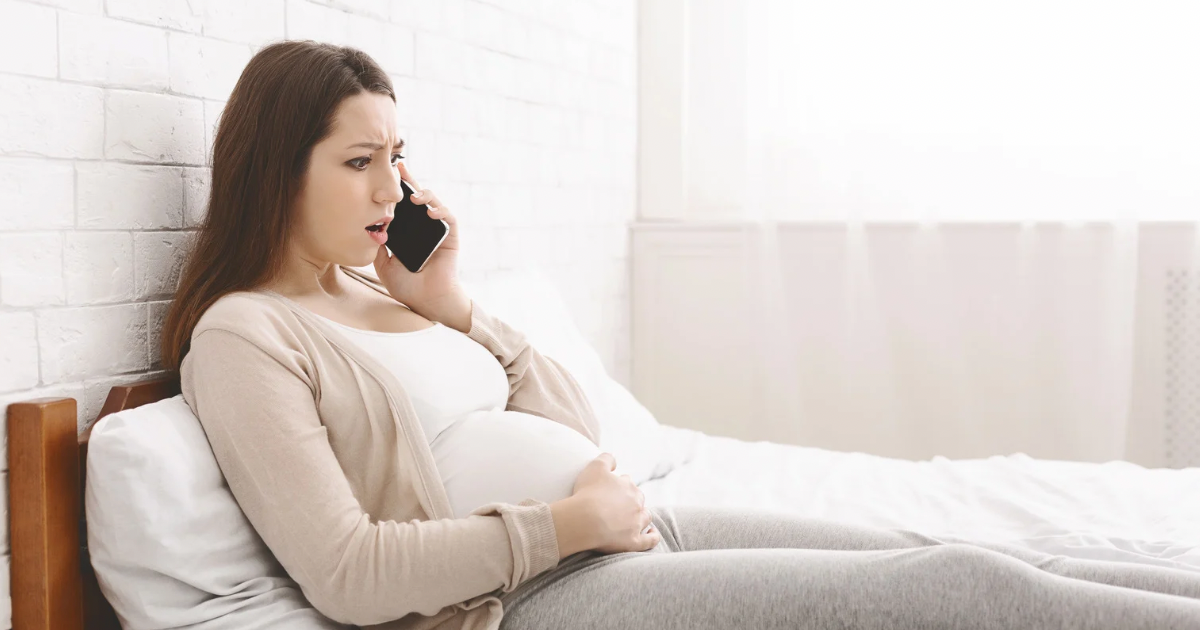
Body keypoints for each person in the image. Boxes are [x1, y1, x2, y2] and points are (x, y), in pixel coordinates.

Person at [161, 40, 1200, 630]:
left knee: (963, 549)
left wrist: (459, 307)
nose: (395, 188)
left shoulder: (390, 293)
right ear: (273, 168)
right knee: (961, 593)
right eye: (359, 163)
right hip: (532, 597)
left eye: (400, 155)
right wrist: (569, 527)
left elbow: (575, 427)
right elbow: (348, 573)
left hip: (624, 528)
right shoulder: (248, 337)